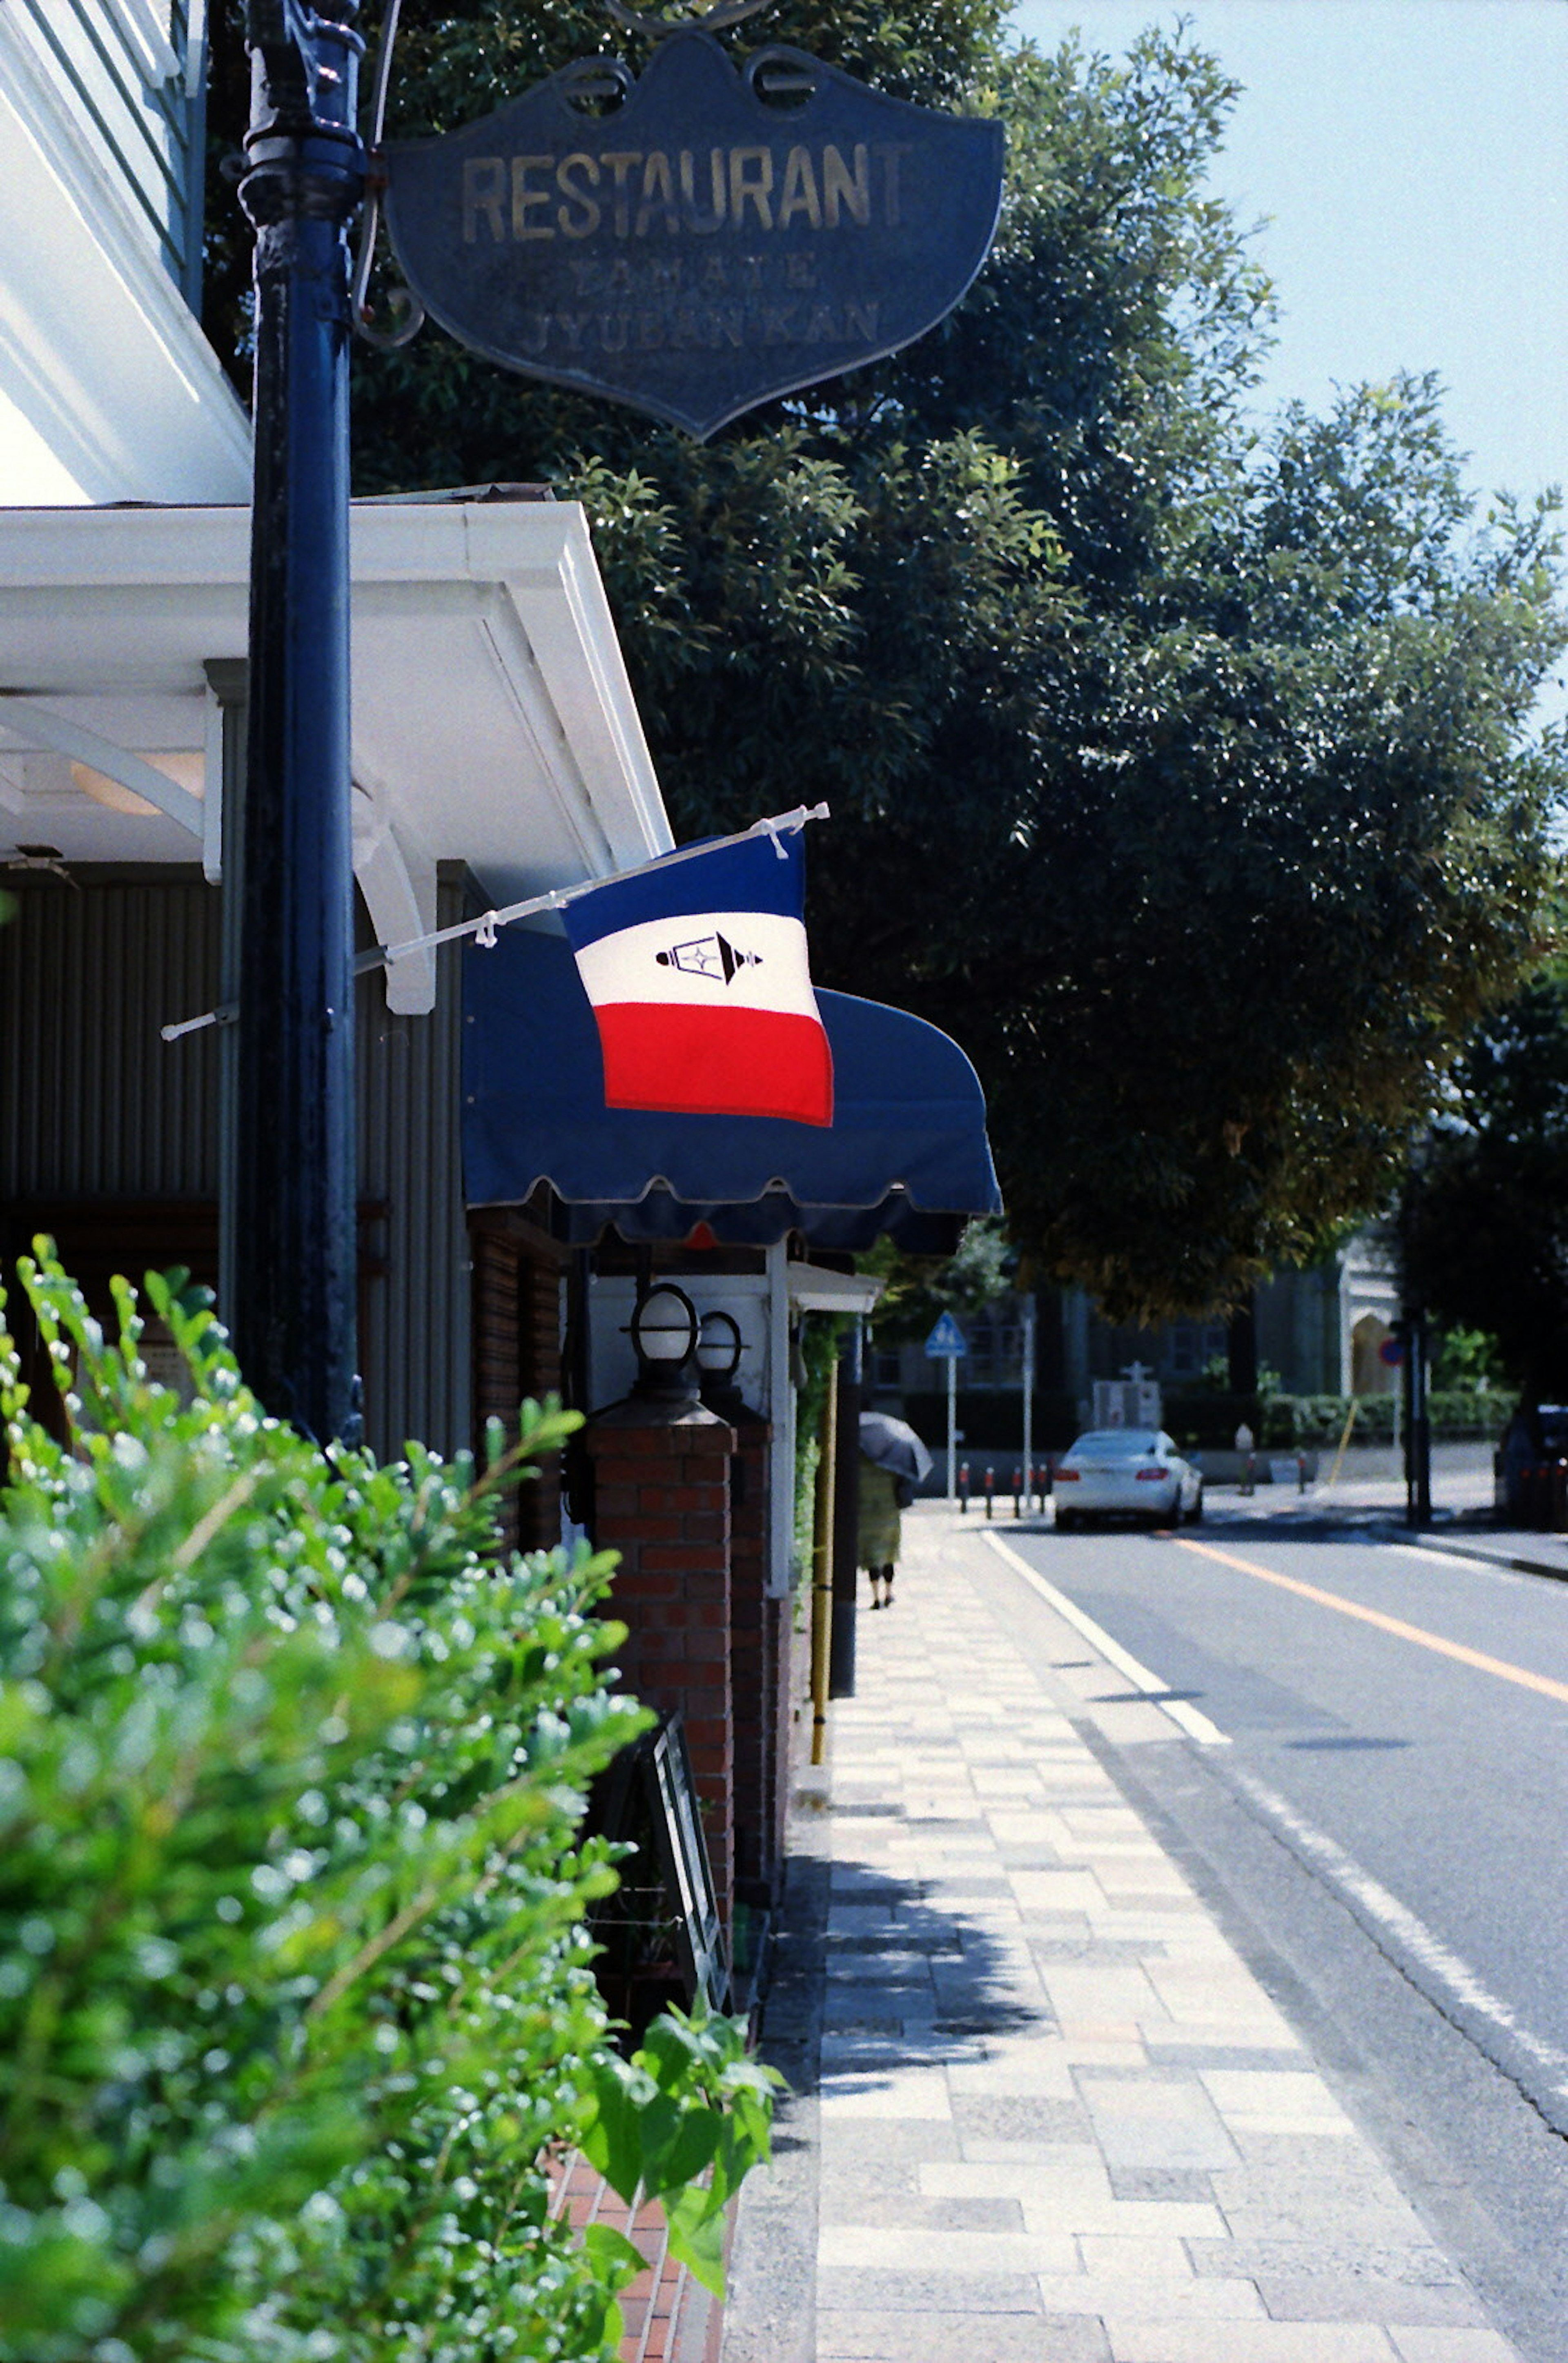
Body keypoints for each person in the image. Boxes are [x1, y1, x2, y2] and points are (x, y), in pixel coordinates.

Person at [858, 1453, 908, 1609]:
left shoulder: (861, 1463)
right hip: (889, 1514)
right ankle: (888, 1593)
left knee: (873, 1555)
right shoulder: (891, 1462)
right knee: (889, 1554)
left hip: (867, 1516)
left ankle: (876, 1597)